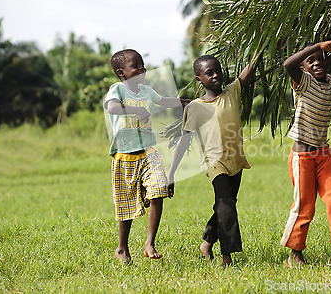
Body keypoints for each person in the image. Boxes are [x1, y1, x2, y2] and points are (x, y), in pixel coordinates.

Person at [167, 54, 256, 267]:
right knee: (227, 206)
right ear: (199, 79)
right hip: (214, 163)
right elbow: (183, 142)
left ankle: (207, 242)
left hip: (235, 159)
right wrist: (171, 175)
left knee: (226, 204)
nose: (216, 75)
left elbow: (249, 69)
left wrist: (258, 49)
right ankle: (227, 257)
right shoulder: (195, 107)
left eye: (218, 70)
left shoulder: (232, 92)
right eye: (209, 73)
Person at [281, 39, 331, 268]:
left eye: (320, 59)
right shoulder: (303, 82)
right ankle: (295, 255)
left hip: (323, 153)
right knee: (305, 206)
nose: (317, 63)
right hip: (302, 157)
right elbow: (288, 64)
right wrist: (318, 45)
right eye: (311, 60)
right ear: (304, 68)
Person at [104, 49, 189, 265]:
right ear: (121, 72)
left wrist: (191, 102)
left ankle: (149, 243)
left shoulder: (147, 91)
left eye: (142, 64)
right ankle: (122, 247)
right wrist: (134, 110)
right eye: (135, 66)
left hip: (148, 151)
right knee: (126, 207)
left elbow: (166, 101)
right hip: (124, 156)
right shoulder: (118, 90)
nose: (141, 68)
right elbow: (112, 107)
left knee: (158, 189)